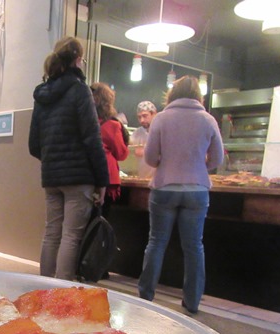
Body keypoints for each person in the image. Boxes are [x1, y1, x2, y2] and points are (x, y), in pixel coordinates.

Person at [137, 76, 224, 314]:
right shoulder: (208, 120)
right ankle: (192, 302)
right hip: (197, 190)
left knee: (156, 243)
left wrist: (167, 162)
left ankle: (146, 297)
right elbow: (218, 158)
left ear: (172, 94)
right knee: (194, 247)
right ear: (198, 95)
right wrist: (197, 166)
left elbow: (150, 157)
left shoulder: (162, 119)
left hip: (164, 187)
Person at [28, 36, 109, 281]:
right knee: (71, 236)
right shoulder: (79, 90)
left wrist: (53, 160)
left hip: (51, 177)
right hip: (79, 177)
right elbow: (92, 139)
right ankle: (61, 294)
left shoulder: (43, 95)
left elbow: (34, 144)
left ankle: (44, 287)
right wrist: (102, 180)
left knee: (52, 232)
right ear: (77, 60)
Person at [90, 82, 129, 217]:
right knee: (101, 219)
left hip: (86, 175)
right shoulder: (111, 125)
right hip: (106, 178)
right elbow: (121, 153)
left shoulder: (85, 124)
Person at [131, 100, 158, 178]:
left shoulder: (161, 131)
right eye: (139, 117)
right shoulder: (137, 133)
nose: (142, 120)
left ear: (154, 114)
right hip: (141, 178)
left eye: (145, 116)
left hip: (157, 181)